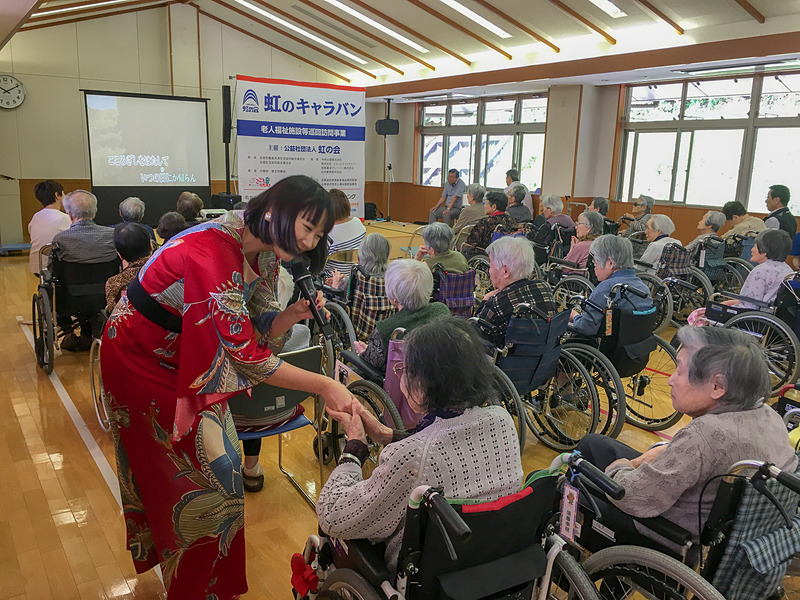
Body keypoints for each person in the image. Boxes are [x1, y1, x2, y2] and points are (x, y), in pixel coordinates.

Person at [100, 175, 355, 600]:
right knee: (199, 480)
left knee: (223, 472)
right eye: (307, 228)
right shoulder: (213, 249)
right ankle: (193, 587)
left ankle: (208, 586)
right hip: (140, 359)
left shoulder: (267, 251)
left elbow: (257, 331)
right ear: (274, 212)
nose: (310, 242)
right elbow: (244, 356)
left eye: (318, 234)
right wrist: (325, 385)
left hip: (188, 355)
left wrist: (292, 314)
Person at [318, 317, 523, 576]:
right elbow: (445, 445)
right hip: (490, 560)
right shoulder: (502, 420)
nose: (401, 376)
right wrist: (387, 434)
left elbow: (332, 515)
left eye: (405, 370)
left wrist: (355, 447)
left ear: (424, 385)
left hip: (423, 574)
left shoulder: (412, 456)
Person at [576, 326, 797, 545]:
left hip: (666, 533)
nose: (671, 380)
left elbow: (630, 496)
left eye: (680, 371)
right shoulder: (769, 416)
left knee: (570, 486)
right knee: (593, 445)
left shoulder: (704, 435)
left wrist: (624, 466)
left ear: (717, 386)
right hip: (726, 524)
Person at [353, 259, 450, 372]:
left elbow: (370, 366)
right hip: (439, 374)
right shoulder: (442, 310)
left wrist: (363, 353)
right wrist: (372, 350)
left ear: (394, 296)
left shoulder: (386, 329)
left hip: (401, 379)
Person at [51, 190, 117, 351]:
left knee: (56, 288)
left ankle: (68, 333)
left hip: (70, 297)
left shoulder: (61, 239)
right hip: (105, 294)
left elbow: (53, 270)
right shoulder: (113, 236)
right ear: (95, 211)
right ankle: (88, 332)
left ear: (69, 214)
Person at [474, 236, 557, 348]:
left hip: (504, 358)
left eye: (491, 265)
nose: (489, 271)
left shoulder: (497, 303)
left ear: (505, 271)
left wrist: (485, 300)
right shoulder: (544, 288)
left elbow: (473, 333)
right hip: (544, 355)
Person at [570, 235, 652, 336]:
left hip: (608, 342)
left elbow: (586, 328)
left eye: (595, 263)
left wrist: (575, 316)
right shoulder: (643, 288)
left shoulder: (606, 288)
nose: (594, 268)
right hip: (637, 342)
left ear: (610, 263)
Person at [105, 222, 153, 313]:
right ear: (151, 247)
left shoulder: (114, 282)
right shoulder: (164, 270)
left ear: (120, 255)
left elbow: (113, 312)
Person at [324, 188, 367, 284]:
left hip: (332, 281)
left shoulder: (328, 233)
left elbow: (317, 265)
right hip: (355, 279)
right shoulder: (358, 223)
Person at [28, 179, 70, 274]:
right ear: (57, 195)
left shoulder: (36, 216)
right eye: (63, 193)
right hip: (53, 266)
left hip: (36, 264)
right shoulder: (64, 218)